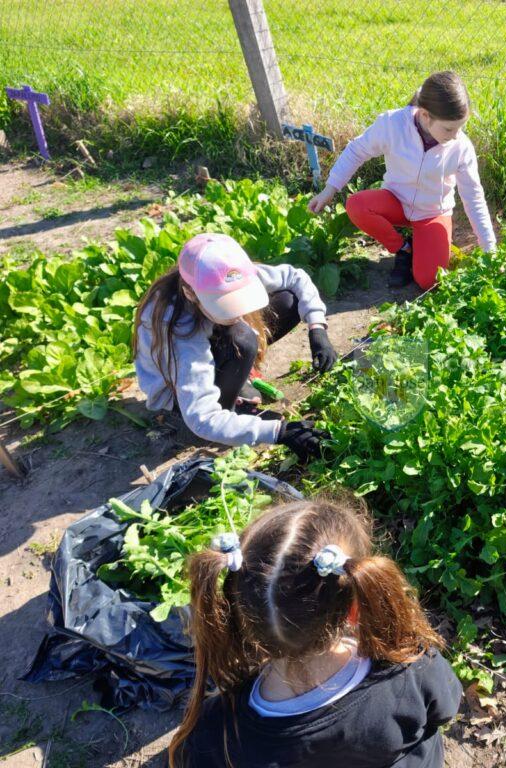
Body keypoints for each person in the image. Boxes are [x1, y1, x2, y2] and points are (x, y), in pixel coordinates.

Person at [167, 497, 462, 768]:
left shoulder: (216, 733)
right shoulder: (409, 668)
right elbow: (446, 709)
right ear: (356, 608)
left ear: (236, 609)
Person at [133, 233, 335, 458]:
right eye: (224, 303)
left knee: (289, 301)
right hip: (177, 393)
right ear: (190, 293)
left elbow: (295, 277)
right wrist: (279, 432)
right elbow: (202, 418)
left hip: (211, 341)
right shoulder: (178, 329)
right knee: (243, 338)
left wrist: (317, 328)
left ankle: (236, 379)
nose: (238, 313)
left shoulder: (227, 274)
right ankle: (229, 409)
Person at [308, 70, 497, 290]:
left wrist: (489, 248)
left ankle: (425, 242)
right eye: (449, 128)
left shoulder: (461, 146)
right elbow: (357, 150)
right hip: (396, 201)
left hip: (431, 212)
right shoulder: (393, 124)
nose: (456, 135)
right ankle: (403, 248)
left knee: (429, 280)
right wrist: (329, 189)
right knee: (357, 205)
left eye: (461, 127)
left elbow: (473, 197)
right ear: (425, 115)